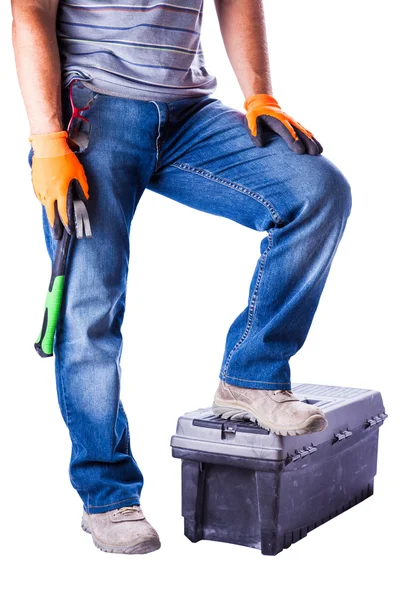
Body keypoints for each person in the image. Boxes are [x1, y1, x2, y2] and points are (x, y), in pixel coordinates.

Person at [11, 0, 352, 555]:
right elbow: (29, 11)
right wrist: (46, 137)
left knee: (316, 193)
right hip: (93, 108)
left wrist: (259, 94)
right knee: (89, 307)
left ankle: (251, 377)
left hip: (189, 113)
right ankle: (107, 496)